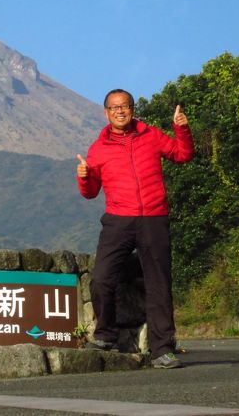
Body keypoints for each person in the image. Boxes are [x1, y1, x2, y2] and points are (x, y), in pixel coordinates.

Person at [76, 89, 194, 369]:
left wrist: (182, 129)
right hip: (118, 219)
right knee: (102, 278)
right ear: (106, 113)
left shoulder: (151, 135)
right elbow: (91, 192)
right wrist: (84, 177)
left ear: (132, 109)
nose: (120, 111)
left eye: (125, 106)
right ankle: (105, 335)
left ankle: (162, 349)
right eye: (114, 107)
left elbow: (182, 154)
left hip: (154, 217)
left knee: (159, 284)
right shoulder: (98, 148)